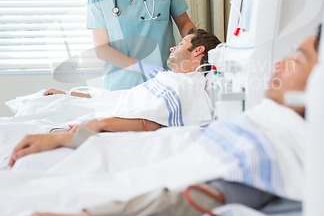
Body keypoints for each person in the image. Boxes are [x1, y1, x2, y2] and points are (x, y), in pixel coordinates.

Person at [0, 29, 320, 216]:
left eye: (298, 59)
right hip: (128, 161)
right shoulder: (267, 121)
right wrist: (71, 138)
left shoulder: (274, 145)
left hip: (116, 190)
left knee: (19, 197)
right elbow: (160, 141)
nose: (279, 63)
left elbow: (193, 198)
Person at [7, 29, 221, 166]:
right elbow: (124, 98)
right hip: (98, 107)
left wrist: (100, 123)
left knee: (22, 126)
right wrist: (72, 95)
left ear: (198, 50)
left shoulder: (185, 86)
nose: (173, 47)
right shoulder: (170, 79)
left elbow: (153, 123)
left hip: (104, 118)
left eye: (182, 43)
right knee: (40, 102)